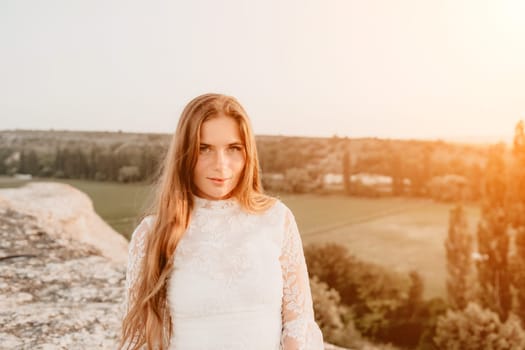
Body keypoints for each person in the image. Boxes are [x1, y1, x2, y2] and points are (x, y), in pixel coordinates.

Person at [120, 93, 324, 350]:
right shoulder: (153, 234)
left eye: (233, 148)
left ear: (248, 153)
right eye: (203, 149)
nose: (221, 165)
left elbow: (299, 322)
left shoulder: (277, 219)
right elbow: (144, 341)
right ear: (184, 154)